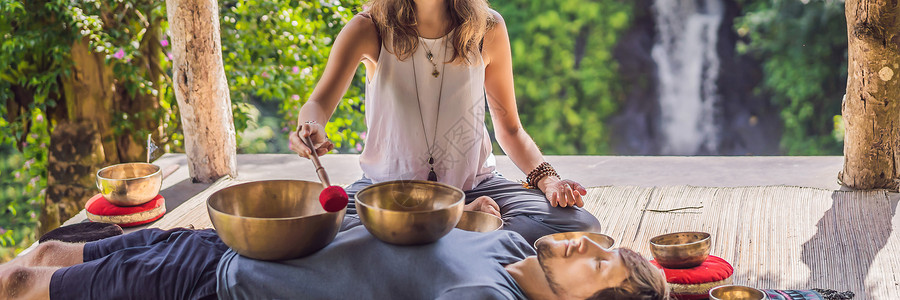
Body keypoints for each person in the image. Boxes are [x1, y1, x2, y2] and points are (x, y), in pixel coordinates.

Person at [288, 0, 602, 245]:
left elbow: (509, 128)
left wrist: (548, 180)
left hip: (474, 187)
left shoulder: (487, 27)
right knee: (323, 229)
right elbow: (317, 103)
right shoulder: (369, 28)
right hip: (390, 195)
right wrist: (310, 125)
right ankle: (464, 229)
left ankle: (431, 238)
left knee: (578, 225)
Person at [1, 224, 668, 299]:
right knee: (55, 248)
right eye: (605, 243)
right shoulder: (510, 244)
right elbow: (477, 220)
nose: (591, 246)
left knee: (24, 283)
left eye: (602, 265)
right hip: (239, 236)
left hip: (219, 284)